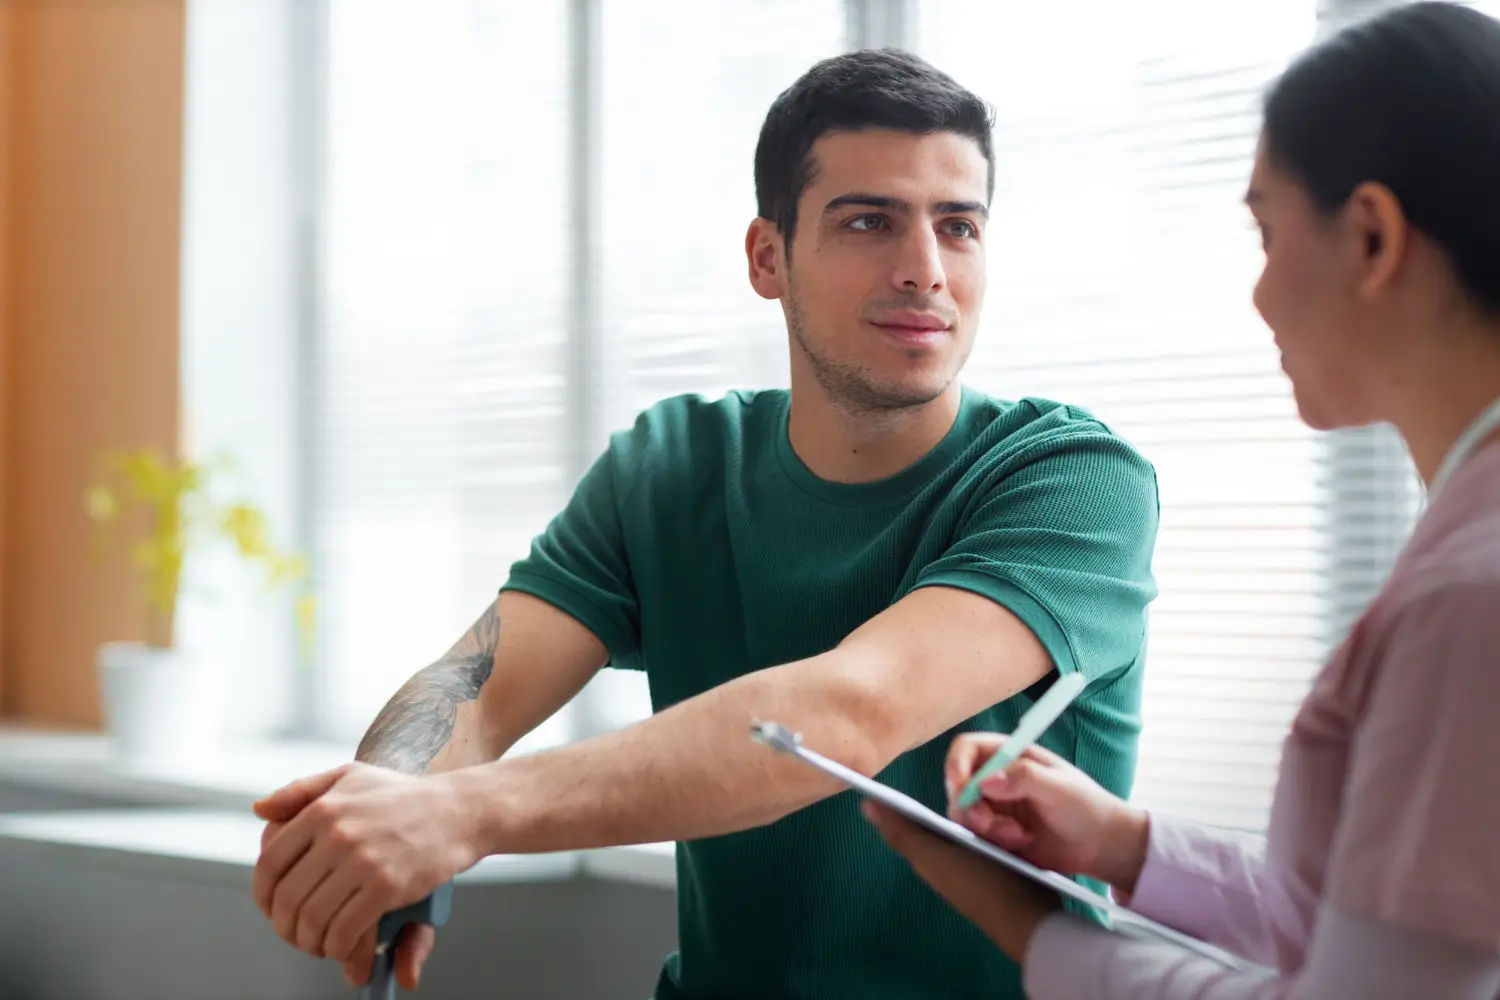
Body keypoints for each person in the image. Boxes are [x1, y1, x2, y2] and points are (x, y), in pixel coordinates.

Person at [250, 48, 1161, 1000]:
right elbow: (477, 686)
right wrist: (386, 812)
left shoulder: (1073, 481)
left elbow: (845, 715)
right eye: (869, 221)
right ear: (769, 257)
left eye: (958, 226)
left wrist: (458, 816)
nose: (926, 271)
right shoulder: (672, 467)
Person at [867, 4, 1500, 998]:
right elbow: (1386, 926)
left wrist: (1032, 932)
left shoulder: (1471, 596)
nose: (1257, 295)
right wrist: (1125, 844)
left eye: (1266, 230)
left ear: (1372, 236)